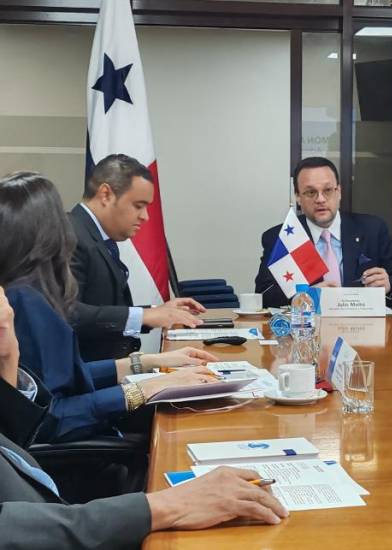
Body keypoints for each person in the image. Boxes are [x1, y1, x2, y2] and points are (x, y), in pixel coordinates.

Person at [0, 287, 288, 549]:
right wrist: (166, 506)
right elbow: (50, 423)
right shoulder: (26, 298)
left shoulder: (25, 300)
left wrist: (144, 364)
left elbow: (32, 419)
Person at [0, 171, 219, 443]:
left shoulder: (23, 290)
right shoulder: (24, 298)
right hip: (75, 457)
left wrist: (147, 363)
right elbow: (51, 416)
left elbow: (64, 377)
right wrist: (146, 389)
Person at [70, 153, 205, 361]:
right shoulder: (70, 234)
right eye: (138, 205)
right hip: (90, 379)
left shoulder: (96, 235)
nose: (145, 217)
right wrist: (144, 316)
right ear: (105, 194)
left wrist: (156, 312)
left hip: (112, 370)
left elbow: (104, 305)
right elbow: (68, 313)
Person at [254, 157, 392, 307]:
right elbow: (263, 296)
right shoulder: (281, 237)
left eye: (328, 190)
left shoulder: (372, 229)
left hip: (363, 330)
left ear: (339, 192)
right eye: (311, 192)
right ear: (297, 197)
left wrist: (388, 285)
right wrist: (308, 296)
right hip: (307, 329)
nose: (320, 199)